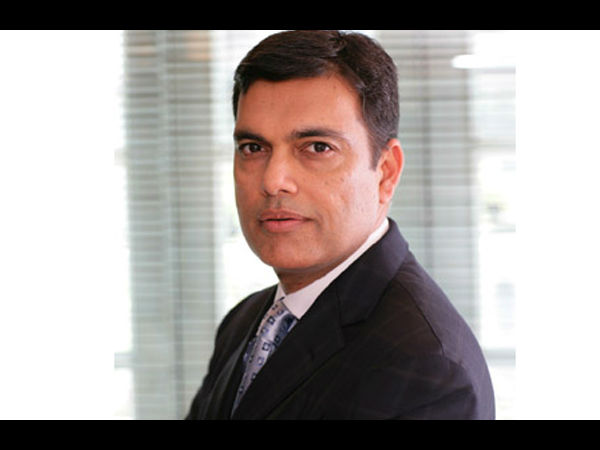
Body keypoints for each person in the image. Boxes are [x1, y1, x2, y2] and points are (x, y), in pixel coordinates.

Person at [186, 30, 495, 420]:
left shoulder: (427, 367)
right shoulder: (245, 320)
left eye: (317, 147)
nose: (273, 181)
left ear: (386, 172)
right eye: (253, 148)